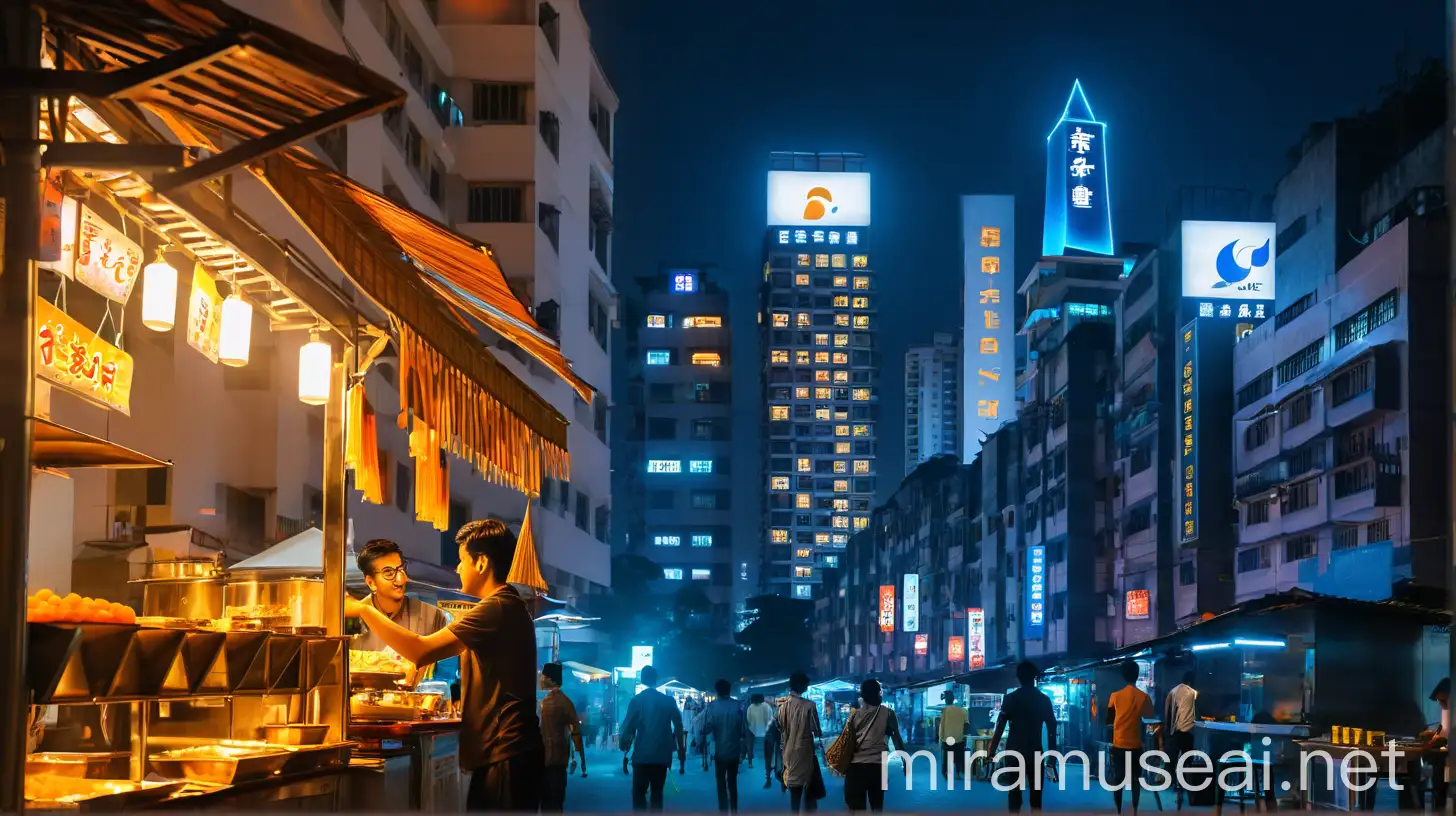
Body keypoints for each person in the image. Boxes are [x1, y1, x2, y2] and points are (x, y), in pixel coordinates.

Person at [345, 519, 542, 811]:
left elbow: (420, 650)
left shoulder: (496, 607)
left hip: (506, 753)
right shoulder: (502, 607)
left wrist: (364, 608)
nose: (457, 568)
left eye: (462, 560)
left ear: (481, 563)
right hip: (506, 753)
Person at [352, 539, 450, 683]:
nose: (401, 579)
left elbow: (444, 674)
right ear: (371, 582)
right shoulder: (353, 619)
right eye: (388, 573)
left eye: (401, 569)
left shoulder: (432, 616)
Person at [989, 661, 1058, 813]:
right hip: (1035, 752)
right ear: (1034, 677)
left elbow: (1000, 726)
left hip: (1014, 752)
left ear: (1018, 678)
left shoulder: (1010, 699)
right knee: (1036, 795)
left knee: (1014, 793)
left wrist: (991, 751)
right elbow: (1052, 727)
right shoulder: (1044, 700)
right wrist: (1052, 757)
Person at [620, 665, 686, 812]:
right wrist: (681, 750)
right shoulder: (668, 701)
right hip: (662, 756)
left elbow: (627, 727)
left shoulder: (636, 700)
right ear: (656, 679)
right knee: (657, 794)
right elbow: (679, 727)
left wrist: (624, 745)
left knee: (639, 794)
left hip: (641, 756)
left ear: (642, 679)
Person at [842, 679, 906, 813]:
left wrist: (844, 767)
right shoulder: (888, 714)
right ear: (879, 693)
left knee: (856, 809)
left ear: (863, 695)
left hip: (856, 768)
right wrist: (905, 761)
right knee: (877, 807)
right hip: (877, 768)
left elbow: (848, 744)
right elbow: (897, 739)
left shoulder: (854, 716)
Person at [1105, 660, 1154, 815]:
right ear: (1137, 675)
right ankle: (1135, 810)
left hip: (1118, 745)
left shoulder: (1114, 696)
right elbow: (1149, 719)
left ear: (1123, 675)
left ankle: (1119, 811)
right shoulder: (1144, 697)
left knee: (1118, 779)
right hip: (1136, 746)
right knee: (1135, 780)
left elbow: (1109, 720)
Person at [539, 662, 586, 811]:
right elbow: (575, 732)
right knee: (555, 804)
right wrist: (582, 761)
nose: (540, 679)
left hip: (540, 760)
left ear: (550, 680)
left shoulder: (539, 701)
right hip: (557, 761)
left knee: (544, 803)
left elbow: (575, 731)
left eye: (543, 677)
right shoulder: (565, 702)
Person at [776, 672, 824, 812]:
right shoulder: (810, 705)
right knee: (809, 791)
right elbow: (817, 730)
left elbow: (779, 727)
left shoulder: (782, 706)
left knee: (794, 793)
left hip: (788, 753)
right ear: (802, 686)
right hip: (805, 754)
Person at [704, 679, 750, 812]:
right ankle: (734, 810)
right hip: (734, 751)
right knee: (732, 782)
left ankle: (723, 811)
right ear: (729, 690)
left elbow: (708, 727)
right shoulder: (738, 706)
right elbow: (743, 730)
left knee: (720, 784)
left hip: (719, 752)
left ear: (717, 691)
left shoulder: (712, 706)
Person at [1162, 670, 1198, 809]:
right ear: (1191, 681)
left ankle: (1176, 786)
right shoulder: (1192, 693)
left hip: (1174, 733)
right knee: (1187, 762)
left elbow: (1167, 713)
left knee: (1174, 761)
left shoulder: (1173, 691)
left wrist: (1167, 731)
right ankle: (1185, 787)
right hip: (1187, 733)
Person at [938, 688, 969, 786]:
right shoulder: (962, 710)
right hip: (959, 737)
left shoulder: (945, 711)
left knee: (947, 757)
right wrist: (964, 736)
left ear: (946, 700)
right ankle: (958, 774)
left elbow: (941, 725)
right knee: (959, 757)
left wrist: (940, 737)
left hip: (947, 738)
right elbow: (966, 724)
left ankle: (946, 773)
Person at [746, 693, 773, 770]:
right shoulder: (767, 707)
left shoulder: (750, 707)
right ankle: (767, 767)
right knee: (766, 753)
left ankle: (751, 763)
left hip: (753, 733)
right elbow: (770, 720)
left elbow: (748, 720)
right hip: (766, 734)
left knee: (751, 748)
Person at [764, 699, 784, 789]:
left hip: (771, 739)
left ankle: (769, 779)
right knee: (779, 759)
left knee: (770, 760)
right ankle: (778, 779)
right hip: (776, 739)